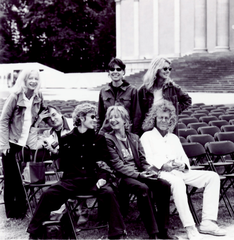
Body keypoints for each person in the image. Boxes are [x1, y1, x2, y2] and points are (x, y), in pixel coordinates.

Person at [27, 103, 126, 240]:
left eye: (95, 117)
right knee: (48, 194)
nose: (95, 120)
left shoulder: (99, 139)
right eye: (92, 117)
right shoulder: (66, 139)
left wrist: (102, 178)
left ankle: (117, 234)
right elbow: (64, 166)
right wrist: (55, 153)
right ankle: (34, 233)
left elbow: (104, 163)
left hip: (93, 182)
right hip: (71, 182)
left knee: (108, 192)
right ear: (81, 117)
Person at [140, 100, 226, 240]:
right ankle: (190, 228)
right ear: (154, 118)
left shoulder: (173, 138)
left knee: (213, 177)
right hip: (161, 174)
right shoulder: (147, 137)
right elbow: (147, 160)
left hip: (179, 171)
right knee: (178, 183)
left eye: (166, 118)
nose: (163, 120)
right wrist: (163, 165)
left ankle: (208, 222)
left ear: (170, 121)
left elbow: (184, 159)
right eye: (160, 117)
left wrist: (183, 165)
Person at [104, 105, 172, 239]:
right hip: (122, 177)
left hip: (140, 174)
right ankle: (153, 233)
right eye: (110, 117)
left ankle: (163, 231)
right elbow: (117, 165)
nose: (112, 120)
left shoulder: (134, 138)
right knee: (143, 188)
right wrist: (139, 175)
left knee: (164, 185)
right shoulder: (108, 139)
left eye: (116, 117)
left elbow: (142, 160)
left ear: (124, 120)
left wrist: (150, 171)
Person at [0, 69, 45, 219]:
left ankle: (22, 209)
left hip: (26, 144)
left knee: (22, 178)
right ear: (24, 80)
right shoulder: (15, 97)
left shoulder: (38, 97)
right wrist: (4, 145)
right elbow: (3, 120)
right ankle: (12, 212)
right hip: (11, 142)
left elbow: (40, 115)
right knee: (11, 177)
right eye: (30, 78)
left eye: (36, 79)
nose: (33, 81)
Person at [138, 56, 192, 135]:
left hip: (167, 127)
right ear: (156, 69)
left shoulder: (172, 87)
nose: (168, 71)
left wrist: (174, 111)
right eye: (165, 69)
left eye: (169, 69)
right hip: (150, 128)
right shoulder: (144, 89)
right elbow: (138, 113)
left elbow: (187, 100)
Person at [97, 58, 141, 135]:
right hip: (106, 133)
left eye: (118, 69)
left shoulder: (132, 91)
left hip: (124, 133)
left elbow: (136, 116)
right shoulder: (103, 91)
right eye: (112, 69)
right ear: (109, 72)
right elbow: (100, 117)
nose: (115, 72)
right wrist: (97, 134)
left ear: (123, 72)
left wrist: (134, 136)